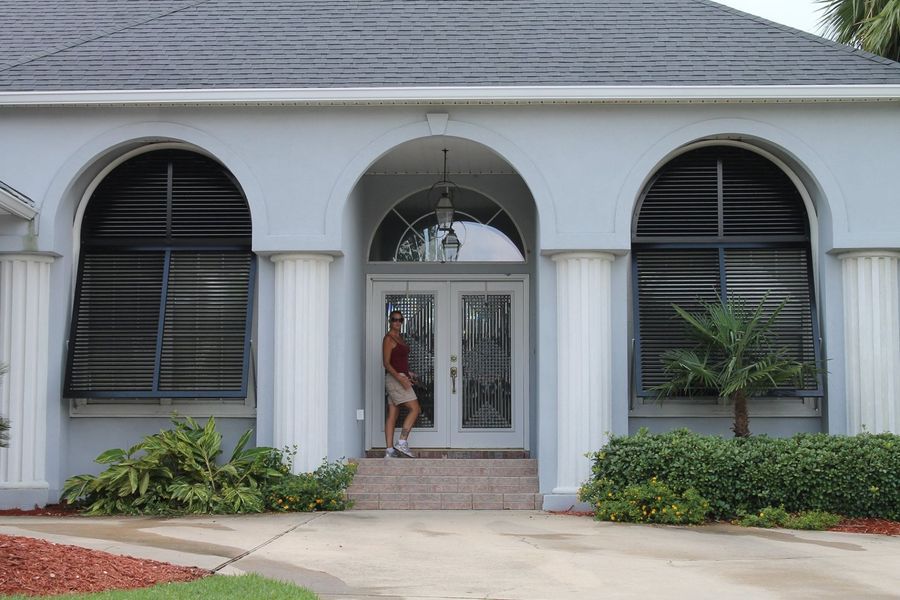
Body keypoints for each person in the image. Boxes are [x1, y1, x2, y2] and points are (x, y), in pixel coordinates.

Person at [382, 310, 421, 458]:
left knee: (393, 413)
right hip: (395, 379)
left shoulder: (400, 338)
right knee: (415, 409)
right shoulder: (389, 339)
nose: (397, 322)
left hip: (400, 376)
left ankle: (389, 451)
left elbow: (398, 361)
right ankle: (402, 442)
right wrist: (400, 377)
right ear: (389, 321)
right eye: (394, 319)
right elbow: (386, 363)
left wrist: (408, 373)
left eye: (400, 320)